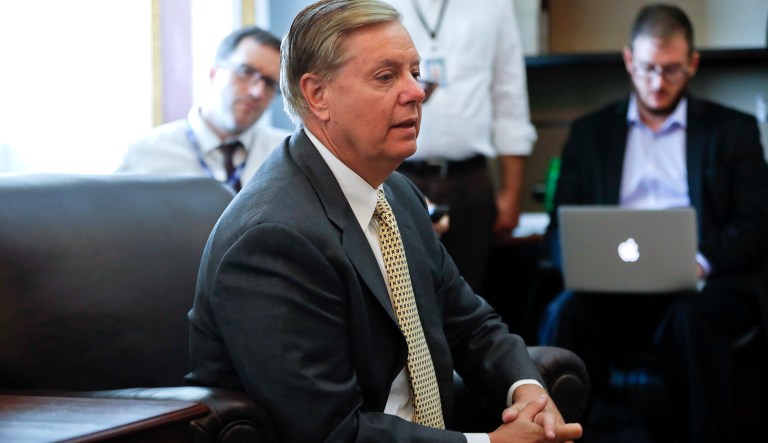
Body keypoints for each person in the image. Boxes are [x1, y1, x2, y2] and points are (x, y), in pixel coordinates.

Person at [185, 0, 582, 441]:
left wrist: (527, 393)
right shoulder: (274, 237)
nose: (416, 91)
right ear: (318, 95)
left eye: (414, 71)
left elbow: (471, 324)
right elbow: (329, 432)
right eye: (386, 76)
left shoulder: (397, 193)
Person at [537, 4, 768, 443]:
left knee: (690, 320)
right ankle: (561, 436)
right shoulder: (591, 133)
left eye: (671, 70)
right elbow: (558, 230)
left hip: (701, 290)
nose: (658, 83)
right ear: (629, 61)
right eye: (647, 69)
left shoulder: (732, 130)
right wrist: (584, 263)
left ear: (692, 64)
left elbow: (756, 224)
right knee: (565, 313)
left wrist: (700, 263)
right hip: (610, 291)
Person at [384, 0, 538, 292]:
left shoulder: (495, 5)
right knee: (398, 297)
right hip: (395, 175)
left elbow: (510, 98)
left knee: (467, 298)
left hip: (470, 180)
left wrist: (512, 192)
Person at [117, 26, 289, 192]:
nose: (257, 92)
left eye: (270, 83)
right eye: (245, 71)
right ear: (214, 73)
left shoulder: (287, 155)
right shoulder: (144, 154)